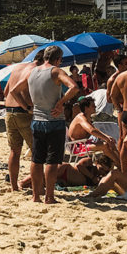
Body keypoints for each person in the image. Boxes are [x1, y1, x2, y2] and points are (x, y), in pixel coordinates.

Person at [13, 44, 80, 204]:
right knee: (52, 161)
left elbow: (14, 90)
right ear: (58, 59)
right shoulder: (56, 71)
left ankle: (36, 196)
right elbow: (74, 87)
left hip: (37, 120)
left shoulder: (32, 72)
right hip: (54, 122)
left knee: (36, 160)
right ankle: (49, 196)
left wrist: (27, 107)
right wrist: (61, 103)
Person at [2, 55, 37, 192]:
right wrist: (27, 106)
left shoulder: (17, 68)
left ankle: (14, 186)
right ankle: (36, 187)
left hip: (9, 113)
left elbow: (6, 92)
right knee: (36, 152)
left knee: (14, 151)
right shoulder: (35, 69)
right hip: (24, 113)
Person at [21, 152, 114, 190]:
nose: (102, 172)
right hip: (65, 170)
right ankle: (21, 182)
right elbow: (79, 165)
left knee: (42, 182)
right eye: (101, 169)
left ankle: (24, 184)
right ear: (97, 162)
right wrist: (92, 177)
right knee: (44, 175)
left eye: (104, 171)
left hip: (65, 181)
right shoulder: (89, 162)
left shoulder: (101, 176)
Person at [105, 52, 127, 119]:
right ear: (119, 65)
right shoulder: (112, 80)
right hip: (122, 109)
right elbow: (109, 99)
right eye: (126, 64)